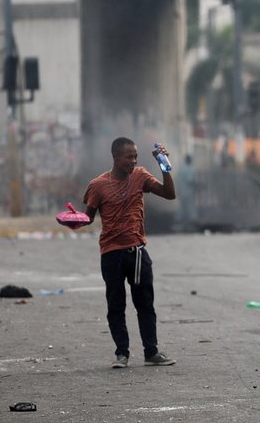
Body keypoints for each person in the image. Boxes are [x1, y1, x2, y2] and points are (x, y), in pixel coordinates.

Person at [82, 138, 177, 369]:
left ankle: (151, 353)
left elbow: (169, 194)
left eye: (136, 156)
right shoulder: (98, 185)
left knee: (145, 304)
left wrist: (164, 166)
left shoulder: (141, 176)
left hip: (136, 252)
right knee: (116, 305)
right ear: (115, 157)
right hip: (111, 253)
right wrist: (72, 220)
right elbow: (88, 217)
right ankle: (121, 354)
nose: (133, 161)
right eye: (129, 157)